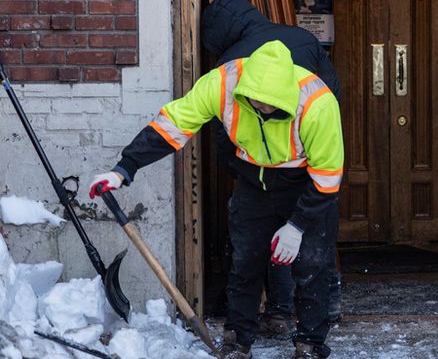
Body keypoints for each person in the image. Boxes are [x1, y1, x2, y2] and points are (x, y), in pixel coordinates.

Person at [88, 40, 343, 359]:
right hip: (253, 181)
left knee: (313, 264)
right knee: (245, 261)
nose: (263, 109)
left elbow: (327, 177)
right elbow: (173, 124)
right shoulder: (222, 84)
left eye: (272, 105)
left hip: (305, 184)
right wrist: (125, 168)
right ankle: (238, 340)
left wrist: (297, 226)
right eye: (257, 102)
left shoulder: (317, 103)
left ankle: (311, 343)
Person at [200, 0, 344, 337]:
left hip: (262, 171)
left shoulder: (233, 64)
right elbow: (332, 93)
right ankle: (327, 306)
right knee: (312, 237)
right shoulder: (302, 38)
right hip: (313, 159)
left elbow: (224, 128)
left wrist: (240, 168)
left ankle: (277, 312)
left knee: (269, 242)